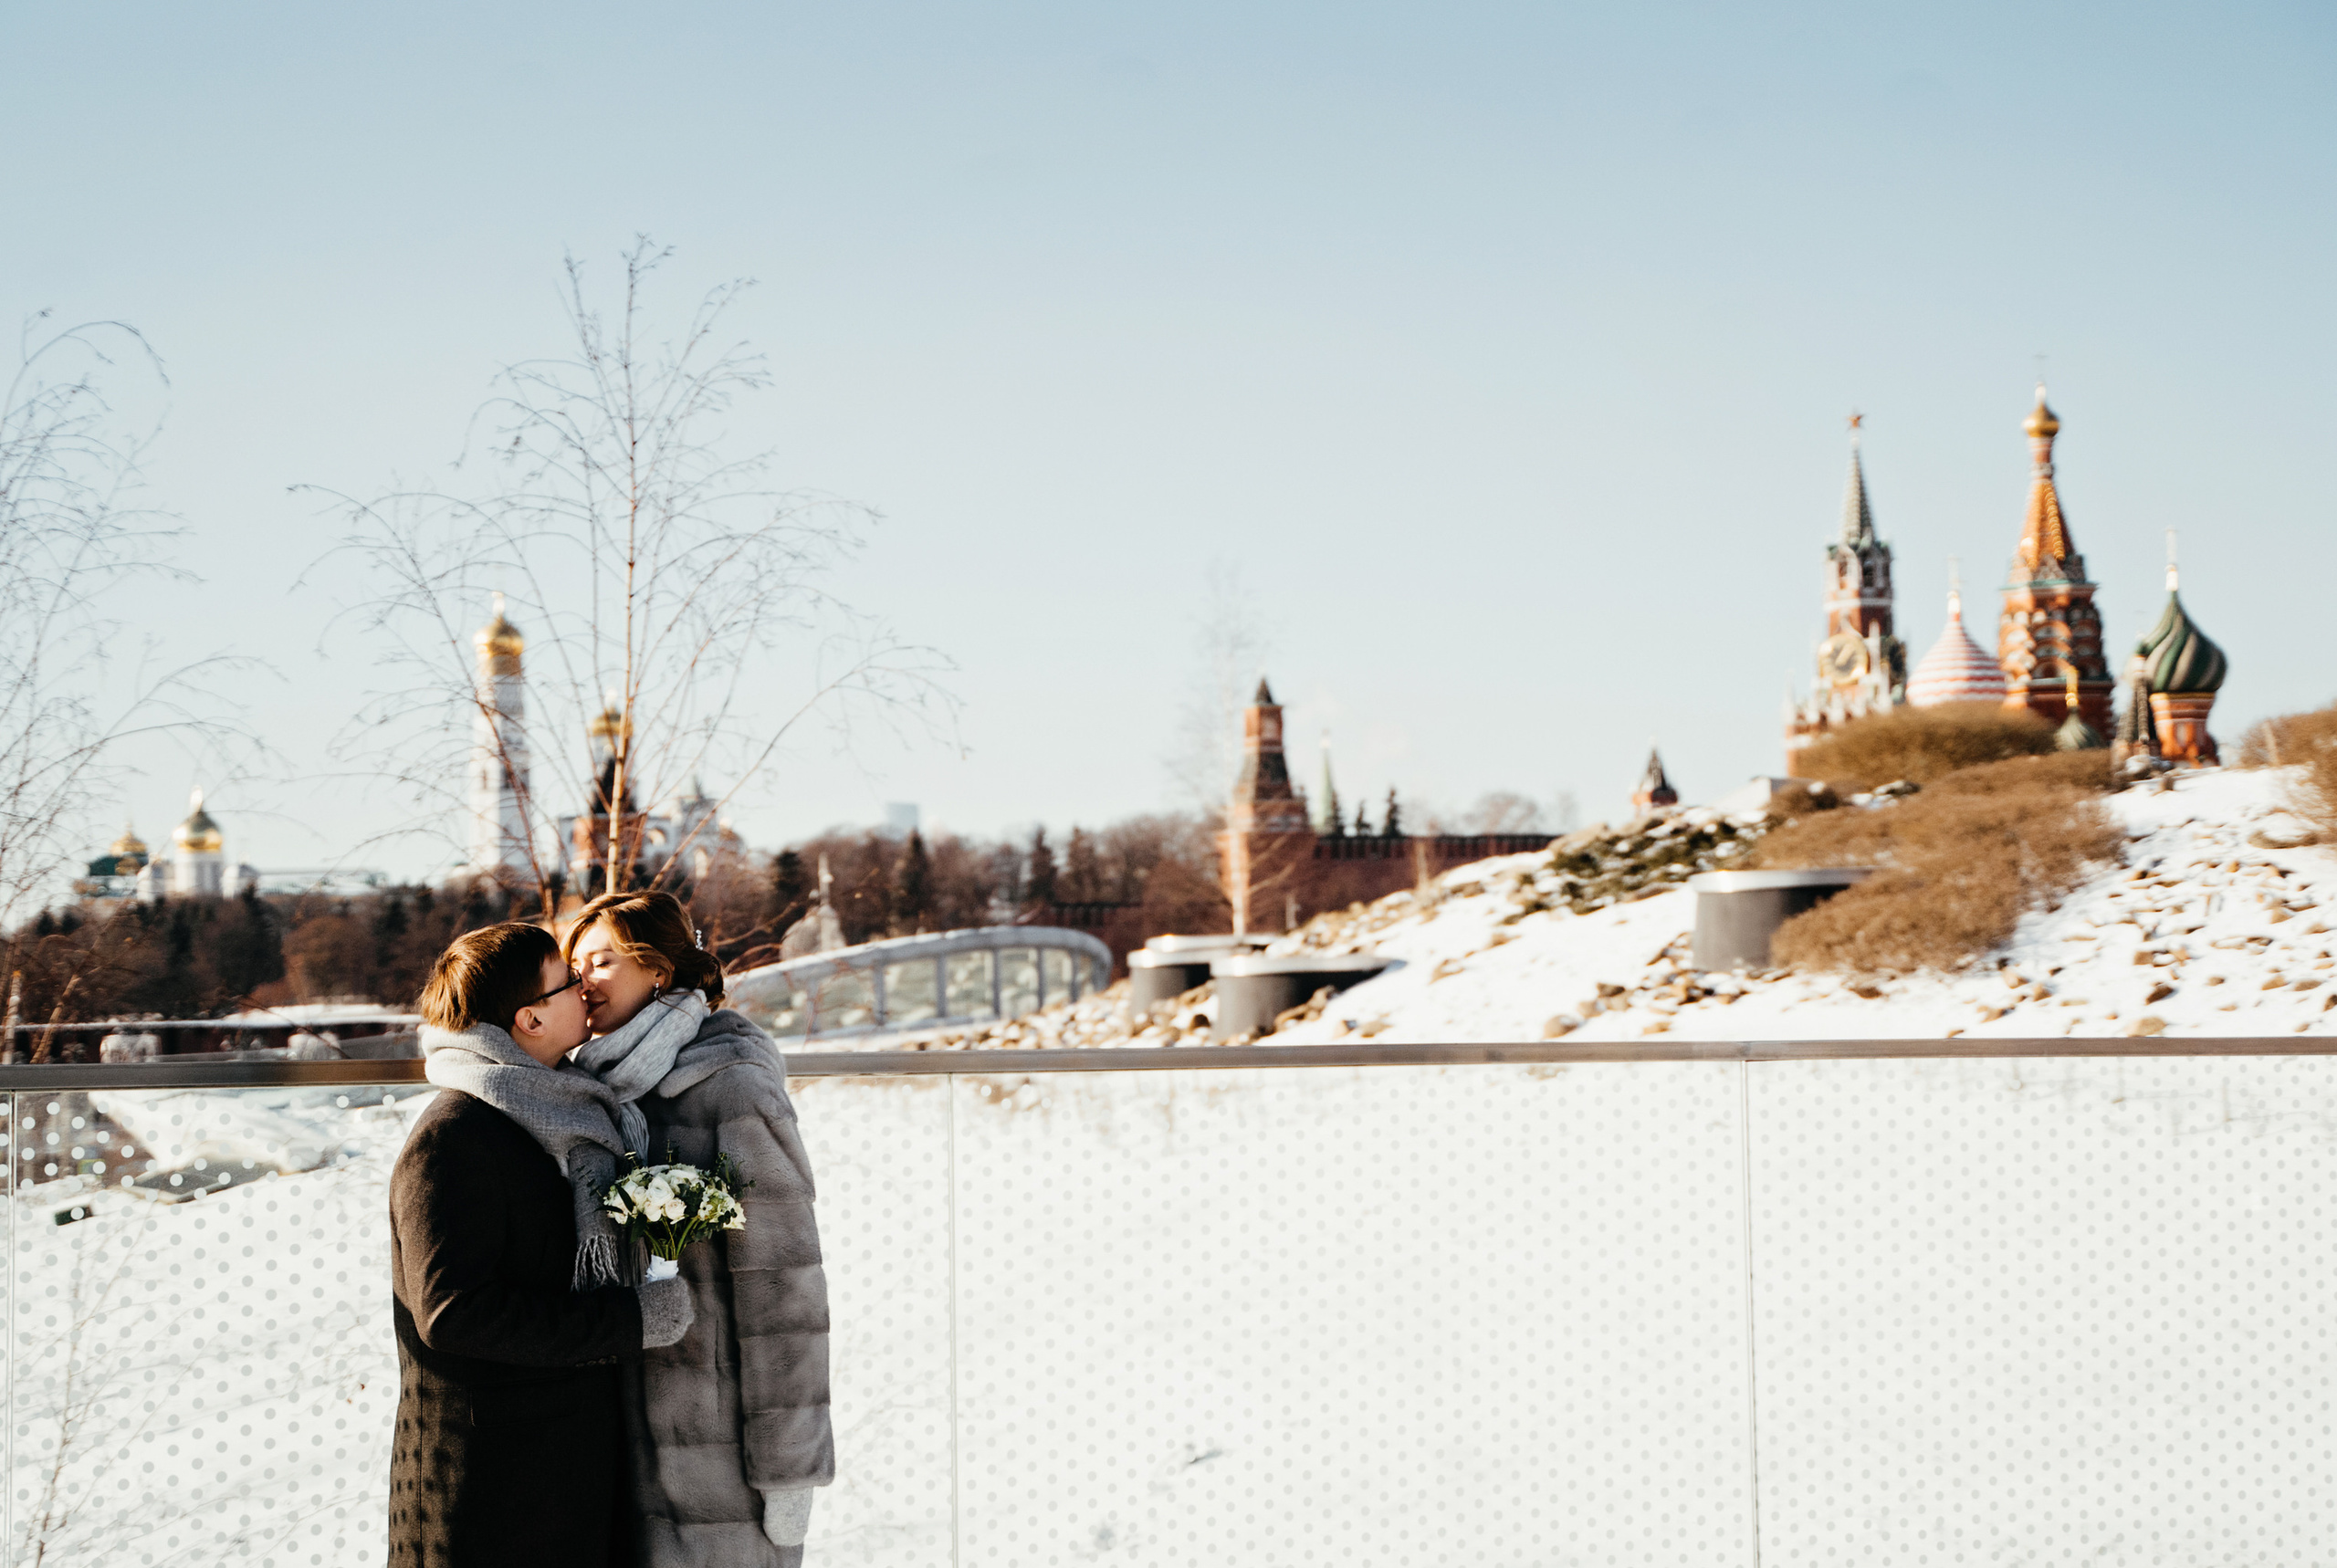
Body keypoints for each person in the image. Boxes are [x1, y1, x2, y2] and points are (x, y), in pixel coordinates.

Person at [389, 921, 698, 1568]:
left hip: (565, 1465)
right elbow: (453, 1313)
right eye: (567, 982)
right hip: (493, 1488)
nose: (584, 987)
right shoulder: (456, 1136)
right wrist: (631, 1319)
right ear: (529, 1020)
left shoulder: (568, 1116)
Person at [565, 889, 833, 1568]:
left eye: (600, 962)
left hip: (719, 1469)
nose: (581, 980)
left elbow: (786, 1295)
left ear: (658, 969)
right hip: (615, 1454)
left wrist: (788, 1475)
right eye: (575, 965)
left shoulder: (732, 1087)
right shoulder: (599, 1091)